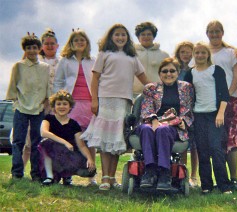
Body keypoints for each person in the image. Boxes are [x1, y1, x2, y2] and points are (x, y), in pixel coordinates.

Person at [80, 23, 149, 191]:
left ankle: (112, 178)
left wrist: (156, 90)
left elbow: (144, 78)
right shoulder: (104, 54)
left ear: (127, 38)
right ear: (111, 37)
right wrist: (94, 100)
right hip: (106, 100)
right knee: (105, 140)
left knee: (117, 139)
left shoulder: (132, 57)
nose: (120, 38)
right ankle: (104, 177)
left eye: (123, 35)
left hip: (124, 101)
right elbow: (95, 79)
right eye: (116, 35)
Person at [136, 58, 194, 190]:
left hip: (174, 125)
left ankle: (164, 172)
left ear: (178, 72)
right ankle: (149, 170)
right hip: (152, 122)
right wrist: (154, 120)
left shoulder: (186, 88)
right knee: (145, 129)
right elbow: (146, 109)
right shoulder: (151, 88)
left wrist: (183, 121)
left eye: (172, 71)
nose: (169, 74)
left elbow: (188, 109)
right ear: (159, 73)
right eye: (165, 71)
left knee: (163, 130)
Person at [185, 42, 232, 194]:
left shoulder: (216, 70)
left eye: (203, 53)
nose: (200, 55)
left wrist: (220, 113)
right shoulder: (190, 73)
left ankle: (224, 185)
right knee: (202, 150)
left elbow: (224, 94)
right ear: (194, 55)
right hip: (198, 116)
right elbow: (186, 96)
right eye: (197, 53)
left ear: (208, 55)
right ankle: (206, 185)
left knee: (216, 149)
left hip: (214, 115)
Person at [53, 29, 96, 186]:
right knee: (69, 138)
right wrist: (58, 102)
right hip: (72, 105)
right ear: (71, 43)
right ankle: (66, 175)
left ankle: (92, 177)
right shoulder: (65, 61)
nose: (79, 42)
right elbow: (58, 82)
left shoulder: (93, 60)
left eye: (82, 39)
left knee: (90, 141)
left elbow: (99, 81)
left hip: (90, 105)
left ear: (87, 43)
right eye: (76, 40)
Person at [6, 33, 50, 181]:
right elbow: (12, 87)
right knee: (19, 141)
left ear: (39, 49)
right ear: (25, 49)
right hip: (21, 109)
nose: (32, 50)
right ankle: (17, 173)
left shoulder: (45, 67)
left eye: (34, 47)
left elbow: (48, 88)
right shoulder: (18, 66)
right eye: (28, 48)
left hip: (38, 109)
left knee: (37, 142)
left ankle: (36, 174)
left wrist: (46, 104)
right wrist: (16, 103)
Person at [206, 20, 237, 191]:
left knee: (231, 140)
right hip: (210, 103)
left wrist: (227, 94)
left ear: (222, 33)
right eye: (211, 32)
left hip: (231, 100)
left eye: (217, 31)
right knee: (216, 142)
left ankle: (234, 179)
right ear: (207, 34)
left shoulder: (231, 52)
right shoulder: (203, 52)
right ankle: (220, 178)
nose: (214, 35)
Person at [39, 90, 96, 185]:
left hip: (68, 154)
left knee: (89, 170)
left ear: (70, 107)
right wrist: (65, 142)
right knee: (46, 142)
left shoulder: (74, 124)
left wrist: (90, 158)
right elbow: (44, 132)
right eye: (58, 104)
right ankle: (50, 177)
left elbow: (81, 146)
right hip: (52, 153)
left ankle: (67, 176)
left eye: (65, 104)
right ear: (54, 107)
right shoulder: (48, 118)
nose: (62, 106)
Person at [22, 28, 60, 169]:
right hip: (35, 104)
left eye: (52, 43)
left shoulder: (61, 61)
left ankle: (52, 172)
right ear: (41, 46)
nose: (49, 46)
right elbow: (23, 67)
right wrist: (27, 48)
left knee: (51, 140)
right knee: (29, 140)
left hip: (55, 107)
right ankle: (21, 171)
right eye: (46, 43)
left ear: (57, 45)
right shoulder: (35, 60)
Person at [174, 41, 199, 188]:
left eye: (189, 52)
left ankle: (194, 176)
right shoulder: (174, 70)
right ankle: (182, 173)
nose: (186, 55)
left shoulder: (195, 69)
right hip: (177, 109)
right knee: (182, 142)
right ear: (178, 54)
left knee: (193, 144)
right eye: (183, 52)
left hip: (193, 108)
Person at [133, 21, 169, 96]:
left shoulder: (164, 55)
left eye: (149, 34)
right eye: (143, 34)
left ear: (154, 36)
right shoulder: (131, 54)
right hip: (133, 93)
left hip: (156, 94)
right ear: (138, 37)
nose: (146, 37)